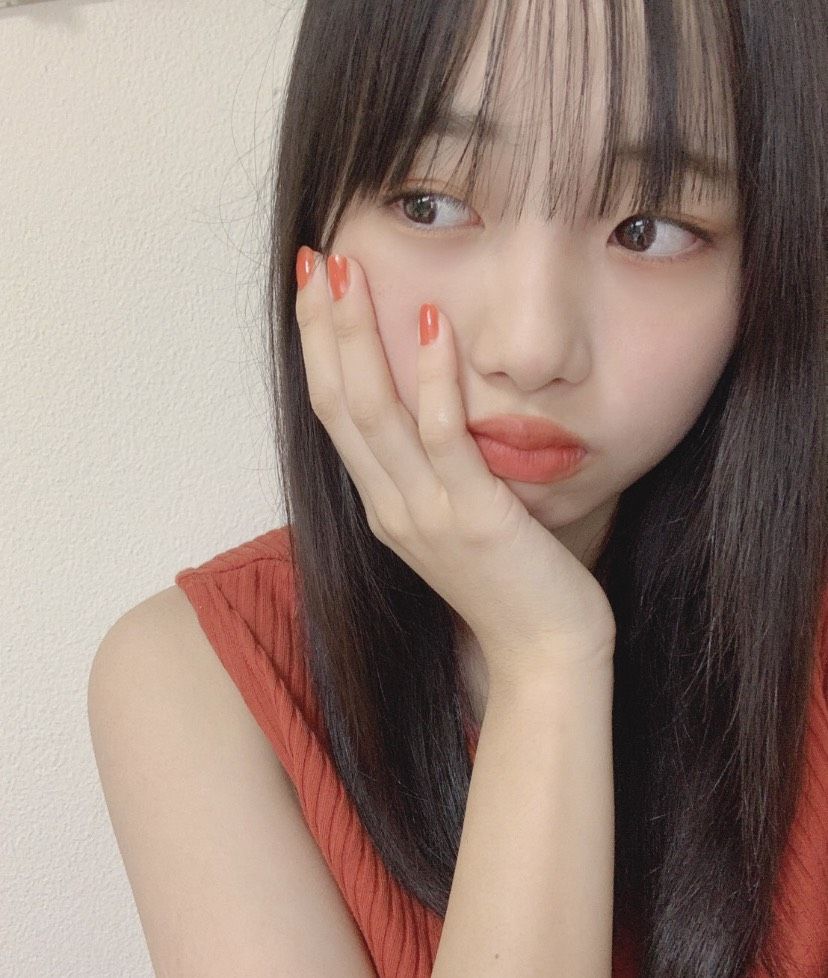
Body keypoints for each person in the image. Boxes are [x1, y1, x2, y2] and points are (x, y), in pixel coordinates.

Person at [87, 0, 828, 976]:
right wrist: (546, 662)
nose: (530, 347)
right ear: (318, 223)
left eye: (649, 230)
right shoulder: (204, 679)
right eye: (431, 204)